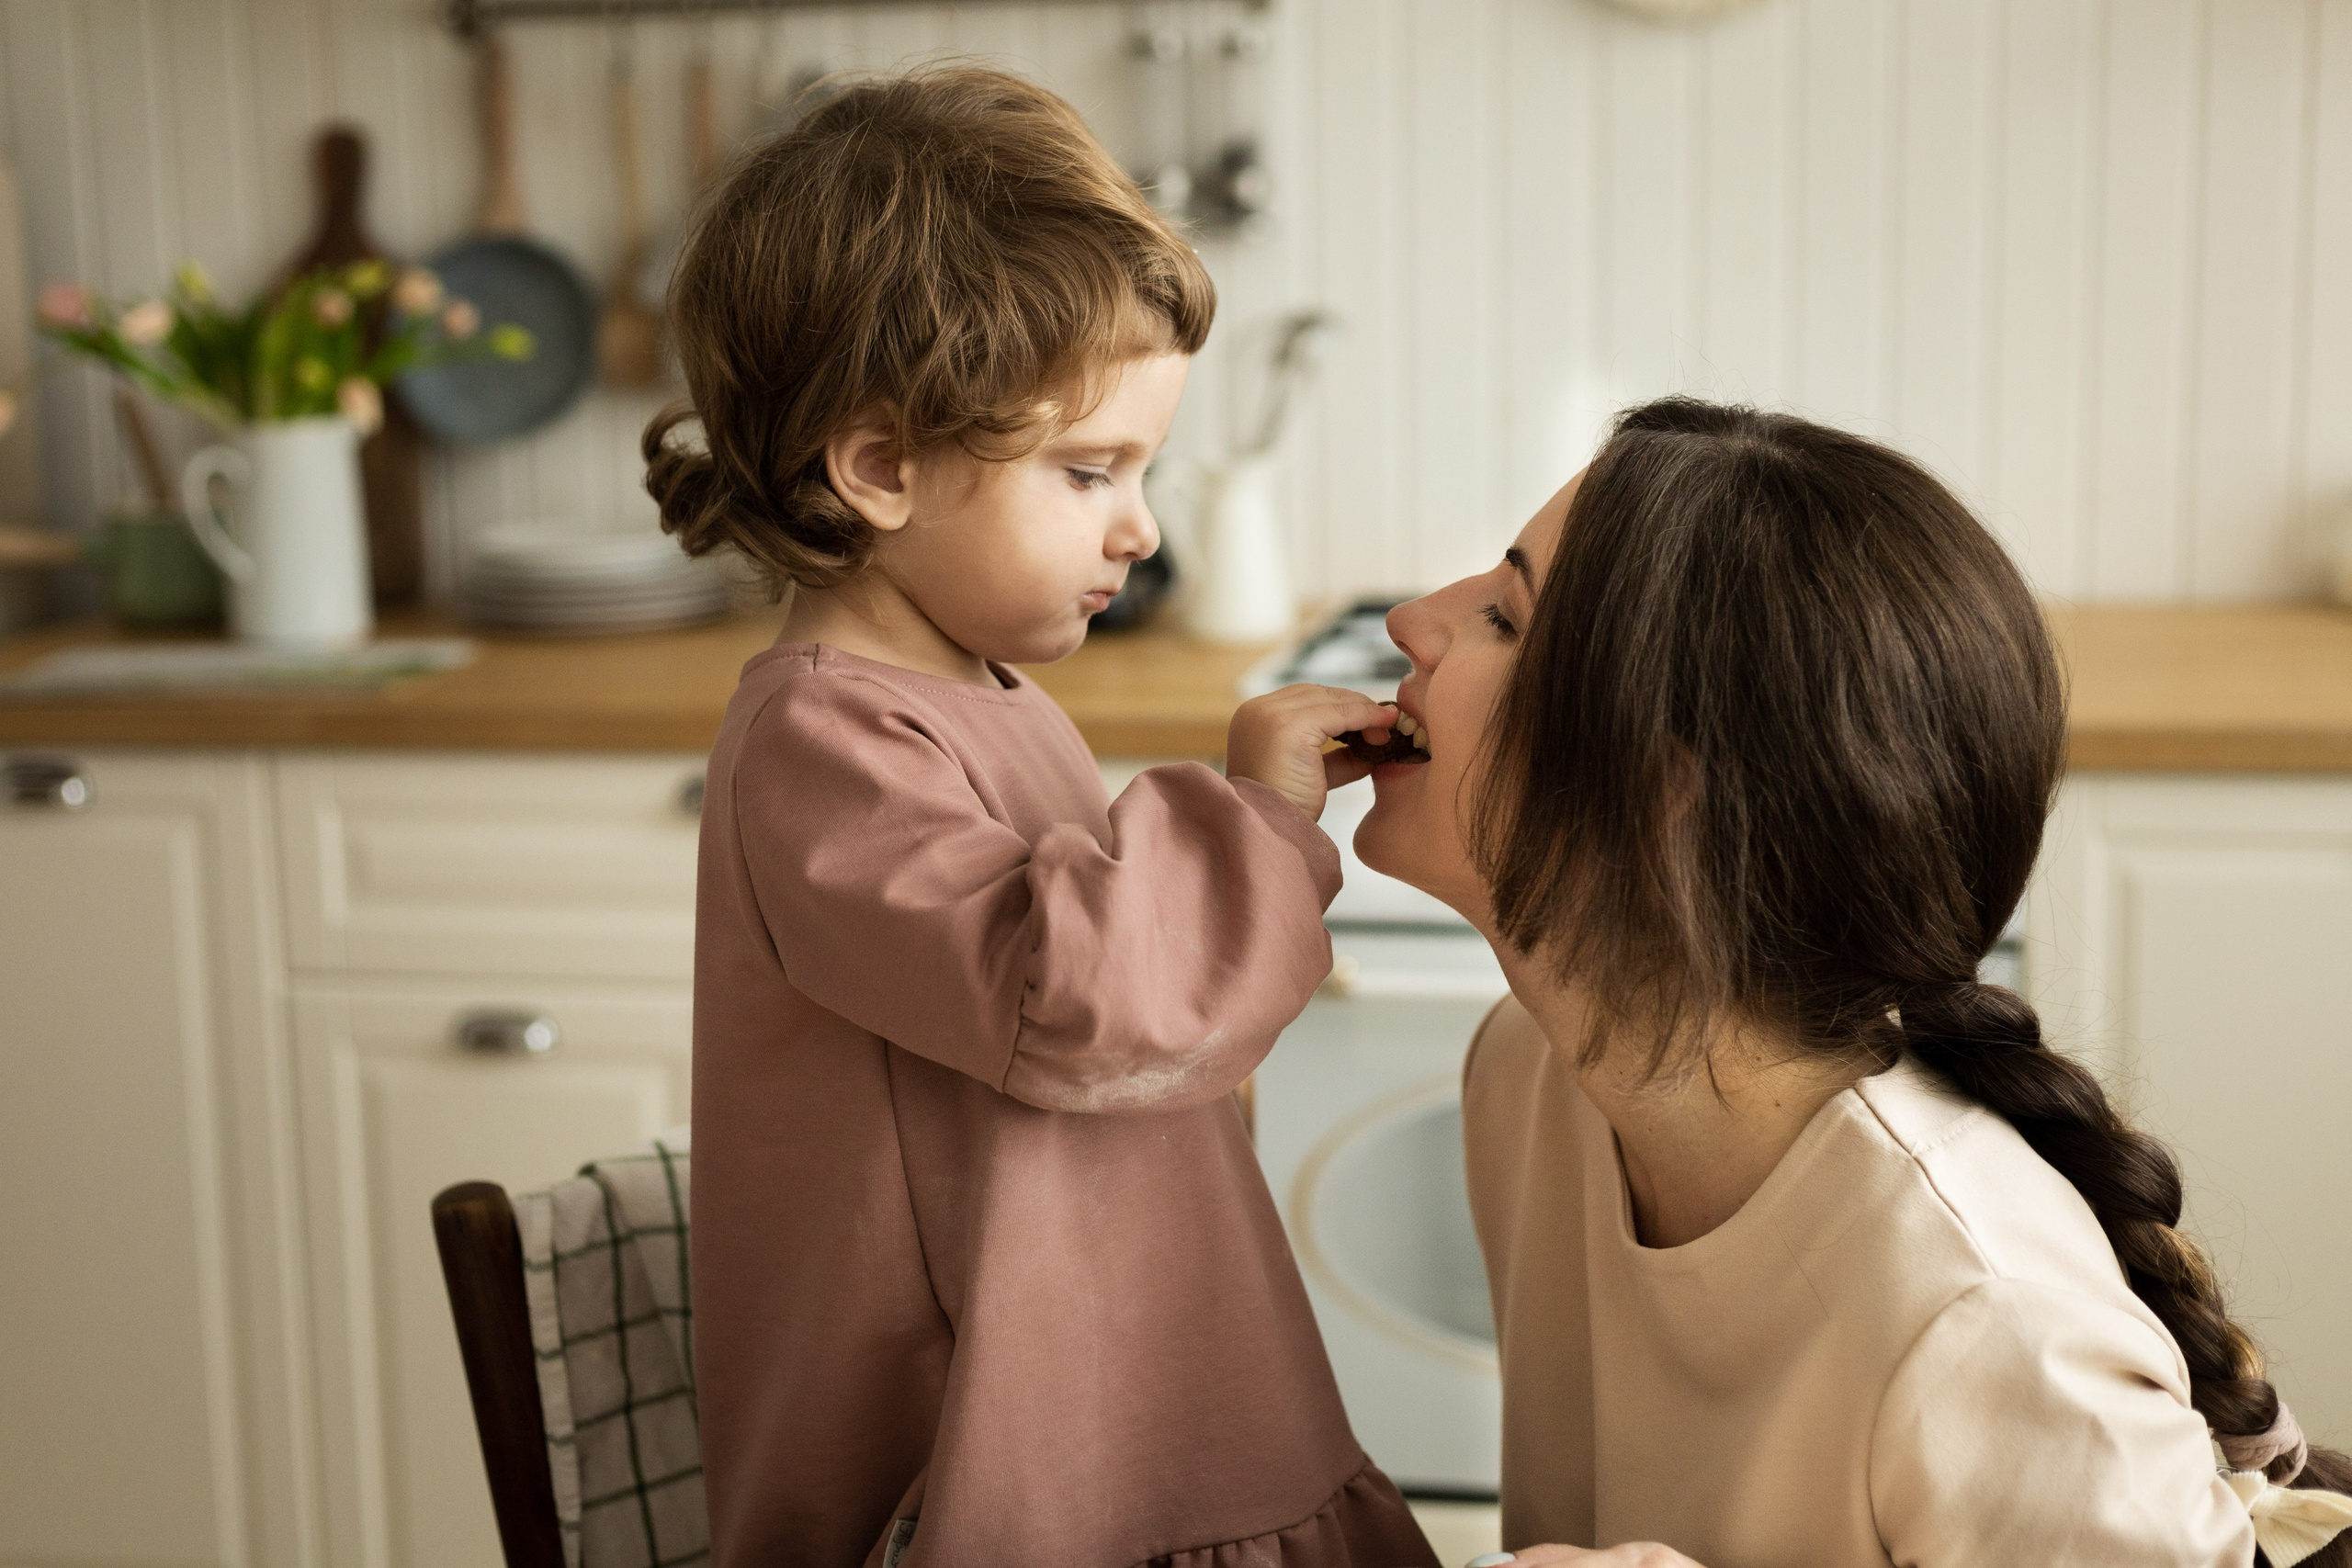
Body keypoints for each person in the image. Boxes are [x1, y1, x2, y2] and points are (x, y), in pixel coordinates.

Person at [647, 66, 1437, 1568]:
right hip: (999, 1468)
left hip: (1141, 1405)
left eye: (1142, 469)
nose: (1139, 527)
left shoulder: (982, 691)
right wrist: (1252, 819)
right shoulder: (826, 737)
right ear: (880, 467)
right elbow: (1075, 996)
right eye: (1091, 471)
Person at [1353, 398, 2352, 1568]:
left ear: (1660, 796)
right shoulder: (1528, 1079)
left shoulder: (1995, 1327)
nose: (1412, 620)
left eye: (1505, 619)